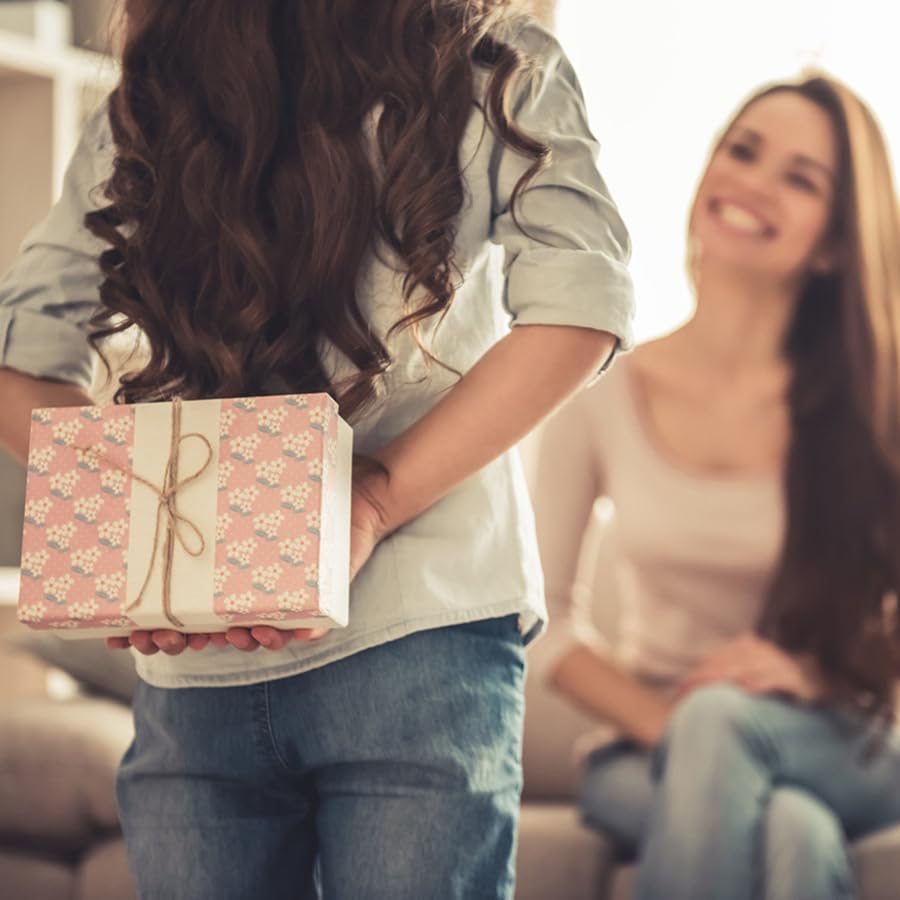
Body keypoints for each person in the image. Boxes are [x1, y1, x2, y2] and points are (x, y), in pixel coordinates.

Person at [0, 3, 635, 898]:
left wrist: (146, 518)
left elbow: (19, 360)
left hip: (201, 649)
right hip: (420, 626)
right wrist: (374, 497)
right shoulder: (498, 69)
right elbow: (579, 308)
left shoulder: (155, 97)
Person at [532, 72, 900, 900]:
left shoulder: (878, 401)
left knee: (725, 728)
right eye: (743, 151)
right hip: (649, 743)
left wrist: (813, 678)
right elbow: (540, 619)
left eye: (801, 179)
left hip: (842, 742)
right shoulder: (599, 392)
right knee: (793, 833)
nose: (753, 182)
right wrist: (678, 728)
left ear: (837, 242)